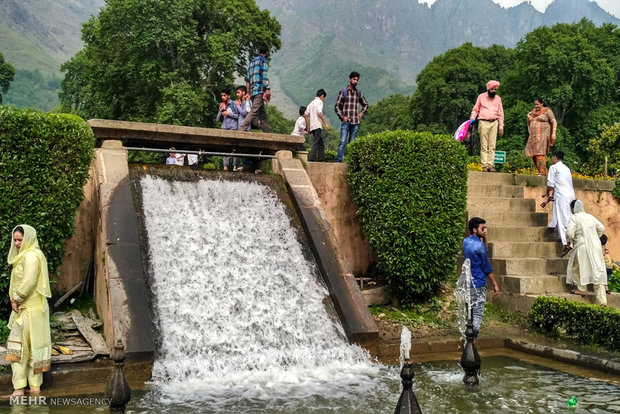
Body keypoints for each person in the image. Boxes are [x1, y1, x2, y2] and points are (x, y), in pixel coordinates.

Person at [6, 225, 52, 396]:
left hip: (28, 309)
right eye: (15, 240)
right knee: (31, 347)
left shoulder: (31, 256)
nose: (17, 243)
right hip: (29, 310)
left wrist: (16, 298)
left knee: (18, 348)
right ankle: (33, 388)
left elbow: (29, 281)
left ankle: (21, 389)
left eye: (20, 240)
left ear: (29, 238)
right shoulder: (29, 255)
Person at [462, 217, 500, 337]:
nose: (485, 231)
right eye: (482, 228)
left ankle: (469, 341)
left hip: (468, 284)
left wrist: (485, 238)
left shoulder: (466, 242)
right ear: (474, 230)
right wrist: (495, 285)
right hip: (478, 284)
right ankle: (472, 340)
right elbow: (487, 268)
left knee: (469, 314)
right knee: (477, 315)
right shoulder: (480, 246)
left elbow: (483, 249)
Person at [565, 200, 607, 305]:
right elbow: (602, 228)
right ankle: (602, 301)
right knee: (597, 270)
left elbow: (570, 233)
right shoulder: (590, 217)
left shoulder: (575, 218)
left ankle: (581, 289)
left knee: (576, 267)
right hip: (595, 246)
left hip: (581, 246)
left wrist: (569, 242)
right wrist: (594, 237)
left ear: (573, 208)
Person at [541, 150, 575, 256]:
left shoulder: (553, 168)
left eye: (552, 157)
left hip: (562, 197)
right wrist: (548, 197)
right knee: (567, 216)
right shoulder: (566, 169)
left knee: (563, 219)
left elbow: (550, 185)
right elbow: (557, 185)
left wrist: (546, 193)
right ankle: (553, 226)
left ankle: (567, 244)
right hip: (570, 196)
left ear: (555, 158)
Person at [334, 71, 369, 163]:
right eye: (354, 79)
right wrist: (342, 117)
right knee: (342, 142)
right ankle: (338, 161)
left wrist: (361, 113)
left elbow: (365, 105)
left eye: (357, 80)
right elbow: (337, 106)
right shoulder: (344, 92)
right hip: (346, 121)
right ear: (350, 79)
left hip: (355, 122)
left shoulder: (359, 93)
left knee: (352, 143)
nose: (355, 81)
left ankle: (350, 162)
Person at [470, 80, 504, 172]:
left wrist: (501, 126)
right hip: (483, 121)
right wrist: (473, 117)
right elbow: (475, 109)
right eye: (492, 89)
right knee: (484, 145)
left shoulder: (498, 99)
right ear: (488, 89)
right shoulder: (481, 97)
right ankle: (484, 165)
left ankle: (490, 165)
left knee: (492, 145)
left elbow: (501, 113)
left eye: (495, 89)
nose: (494, 91)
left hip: (494, 122)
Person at [239, 44, 271, 133]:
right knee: (254, 111)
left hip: (253, 91)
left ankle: (267, 133)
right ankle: (242, 128)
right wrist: (267, 89)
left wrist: (248, 92)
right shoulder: (263, 61)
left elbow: (248, 79)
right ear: (267, 52)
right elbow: (264, 76)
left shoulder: (252, 62)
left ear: (259, 51)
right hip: (259, 91)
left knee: (263, 116)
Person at [525, 97, 557, 175]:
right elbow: (529, 123)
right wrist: (528, 118)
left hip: (543, 134)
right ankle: (540, 171)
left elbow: (554, 121)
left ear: (542, 104)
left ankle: (542, 172)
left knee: (540, 152)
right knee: (533, 153)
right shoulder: (532, 112)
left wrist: (554, 133)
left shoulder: (547, 111)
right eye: (535, 104)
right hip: (534, 136)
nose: (536, 106)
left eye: (537, 104)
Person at [217, 87, 239, 171]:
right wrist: (220, 111)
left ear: (228, 96)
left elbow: (238, 116)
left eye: (224, 95)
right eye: (222, 95)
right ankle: (225, 167)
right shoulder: (222, 104)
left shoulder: (234, 104)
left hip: (233, 128)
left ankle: (235, 167)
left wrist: (228, 113)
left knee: (234, 148)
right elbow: (218, 119)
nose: (223, 97)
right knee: (225, 148)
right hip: (224, 128)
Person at [305, 89, 330, 162]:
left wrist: (308, 126)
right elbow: (319, 113)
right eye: (324, 98)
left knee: (320, 142)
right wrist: (326, 123)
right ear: (322, 96)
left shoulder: (311, 103)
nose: (323, 99)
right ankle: (311, 158)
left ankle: (321, 158)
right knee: (316, 142)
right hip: (317, 125)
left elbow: (306, 115)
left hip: (312, 126)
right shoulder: (320, 102)